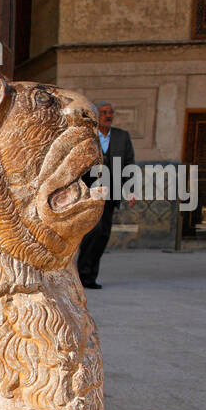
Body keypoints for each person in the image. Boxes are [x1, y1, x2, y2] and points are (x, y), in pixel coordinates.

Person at [77, 103, 135, 289]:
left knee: (103, 234)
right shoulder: (87, 135)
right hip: (91, 192)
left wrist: (130, 190)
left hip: (111, 192)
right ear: (96, 116)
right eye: (104, 113)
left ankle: (90, 276)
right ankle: (82, 274)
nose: (108, 116)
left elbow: (129, 164)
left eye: (110, 112)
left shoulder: (121, 136)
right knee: (93, 232)